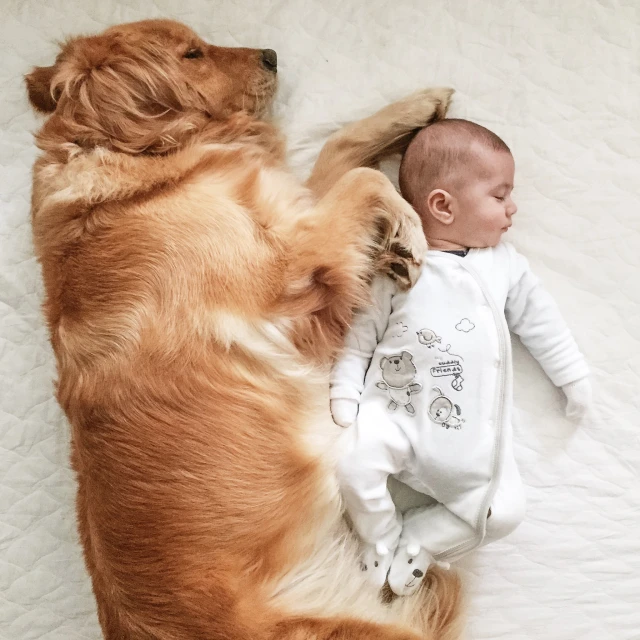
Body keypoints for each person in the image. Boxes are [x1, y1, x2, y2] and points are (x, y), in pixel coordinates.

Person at [330, 119, 592, 596]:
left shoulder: (503, 265)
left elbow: (541, 320)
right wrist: (344, 390)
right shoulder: (400, 263)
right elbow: (360, 335)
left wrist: (571, 374)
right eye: (500, 195)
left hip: (469, 442)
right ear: (442, 206)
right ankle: (380, 537)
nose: (513, 209)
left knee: (505, 511)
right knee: (351, 467)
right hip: (394, 415)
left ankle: (421, 540)